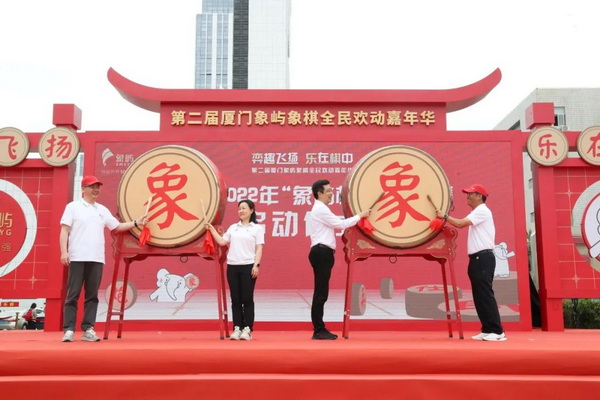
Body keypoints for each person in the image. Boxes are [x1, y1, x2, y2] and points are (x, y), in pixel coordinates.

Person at [60, 175, 148, 342]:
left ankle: (88, 329)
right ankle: (69, 330)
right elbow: (64, 230)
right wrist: (64, 252)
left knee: (92, 296)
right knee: (73, 295)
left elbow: (117, 227)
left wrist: (137, 222)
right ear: (83, 189)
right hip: (77, 257)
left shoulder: (102, 210)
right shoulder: (73, 207)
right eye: (92, 187)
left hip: (96, 258)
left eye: (97, 187)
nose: (96, 190)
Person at [436, 184, 507, 342]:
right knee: (479, 296)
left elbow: (461, 223)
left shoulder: (482, 210)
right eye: (467, 194)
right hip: (476, 259)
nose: (467, 197)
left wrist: (444, 216)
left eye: (471, 194)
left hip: (483, 258)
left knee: (485, 294)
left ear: (480, 197)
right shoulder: (476, 212)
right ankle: (487, 329)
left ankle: (497, 331)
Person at [308, 180, 370, 340]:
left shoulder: (321, 208)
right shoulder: (320, 209)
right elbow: (341, 224)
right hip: (321, 252)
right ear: (319, 193)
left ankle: (319, 329)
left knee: (321, 292)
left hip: (322, 252)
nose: (331, 193)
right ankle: (318, 330)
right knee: (321, 293)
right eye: (328, 191)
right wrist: (360, 215)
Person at [206, 199, 264, 341]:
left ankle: (247, 329)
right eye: (239, 209)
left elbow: (259, 248)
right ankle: (237, 327)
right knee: (235, 299)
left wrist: (256, 265)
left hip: (248, 266)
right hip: (232, 266)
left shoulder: (256, 228)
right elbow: (222, 241)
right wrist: (211, 229)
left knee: (247, 299)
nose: (241, 211)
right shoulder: (233, 227)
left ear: (251, 210)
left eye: (244, 208)